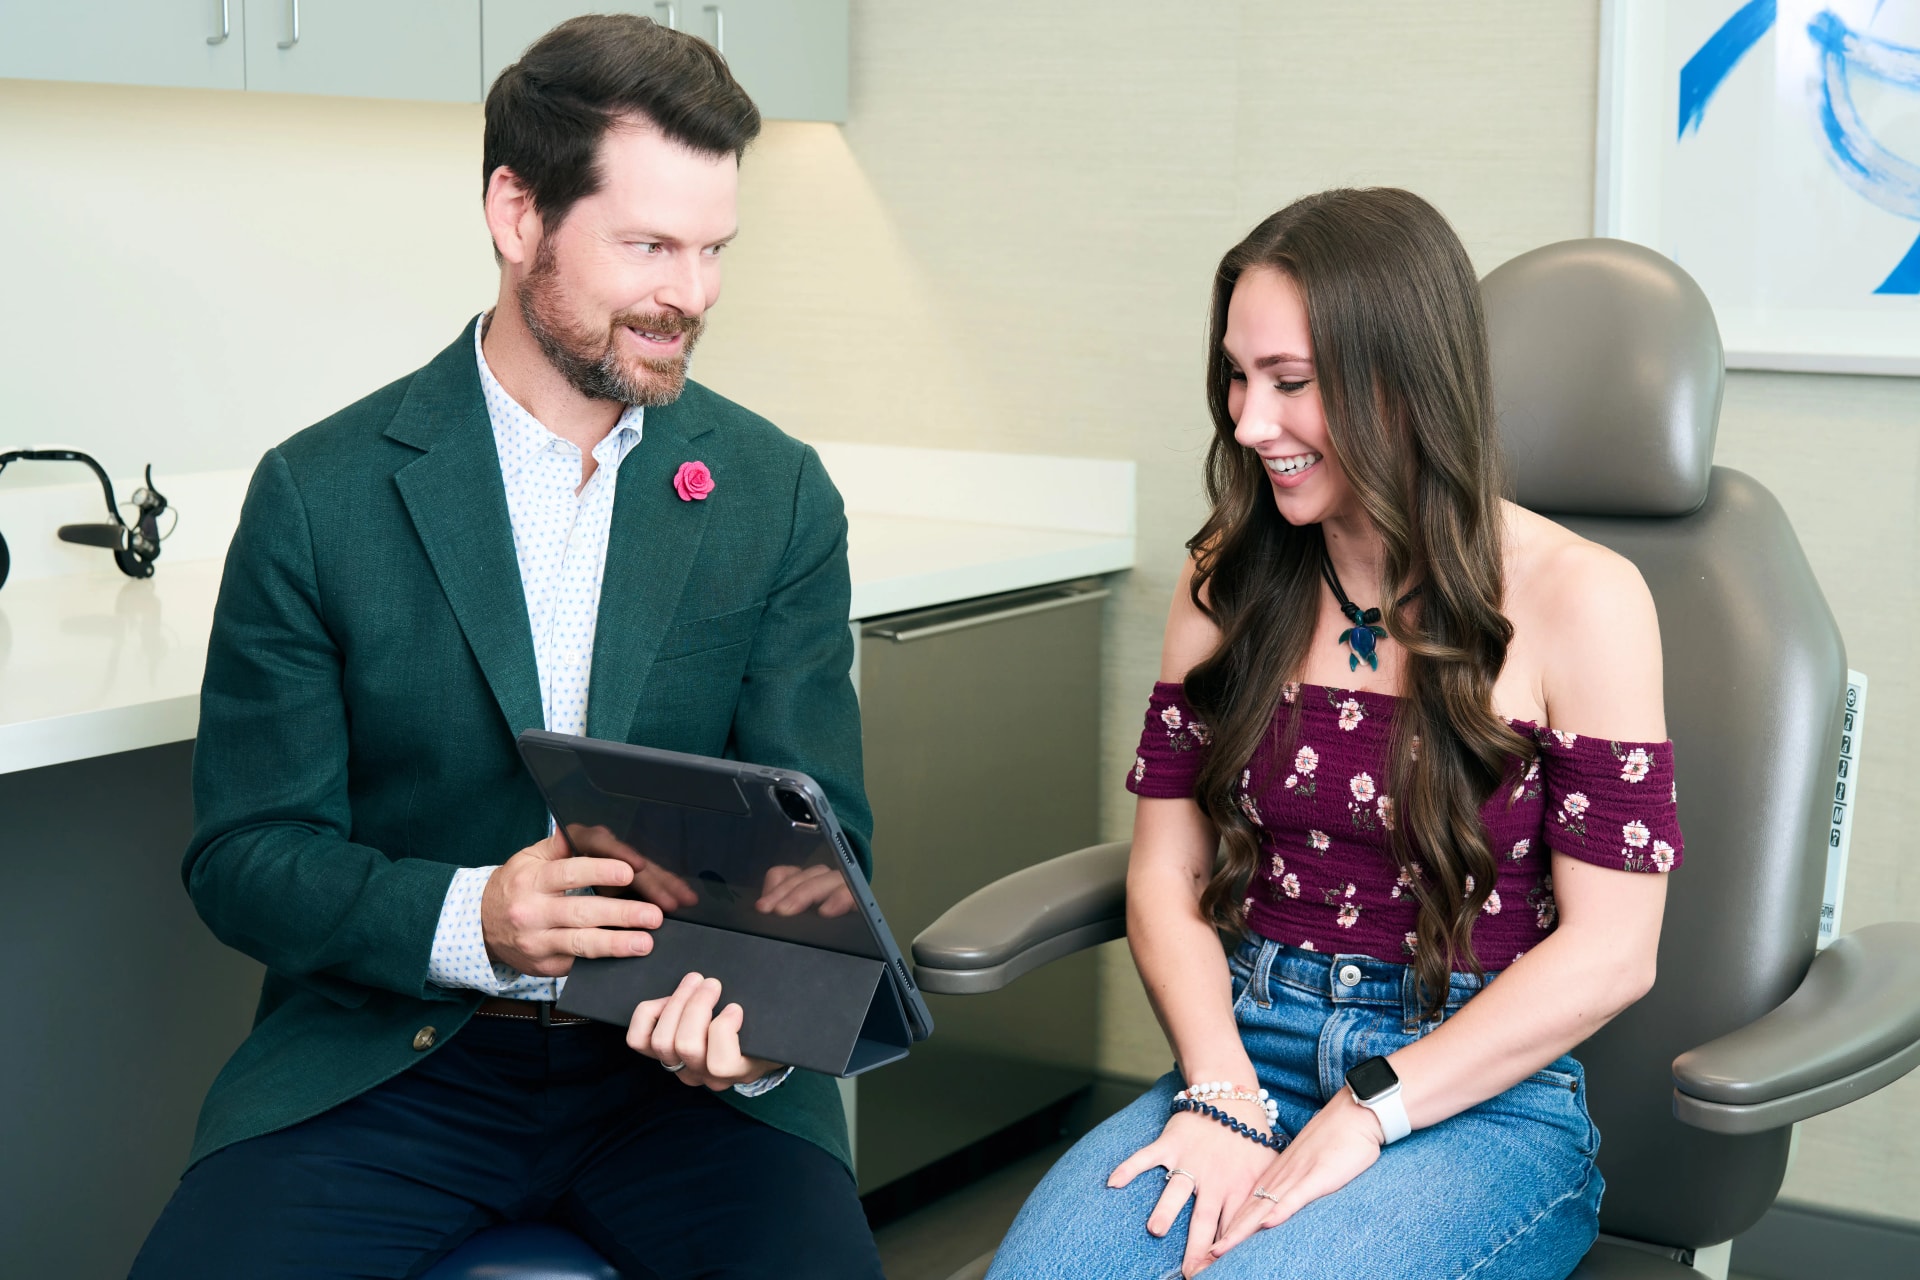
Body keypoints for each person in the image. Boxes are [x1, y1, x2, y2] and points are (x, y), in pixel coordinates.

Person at [131, 16, 883, 1279]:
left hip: (683, 1081)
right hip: (395, 1061)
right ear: (516, 212)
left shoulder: (776, 494)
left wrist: (758, 1030)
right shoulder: (320, 495)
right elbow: (246, 856)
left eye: (712, 250)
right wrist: (472, 916)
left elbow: (829, 849)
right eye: (647, 245)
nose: (691, 295)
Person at [989, 188, 1682, 1279]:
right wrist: (1218, 1089)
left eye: (1291, 384)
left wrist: (1372, 1109)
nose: (1249, 422)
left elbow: (1613, 952)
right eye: (1237, 375)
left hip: (1477, 1095)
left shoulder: (1585, 597)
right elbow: (1167, 875)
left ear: (1403, 384)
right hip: (1246, 1044)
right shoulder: (1228, 575)